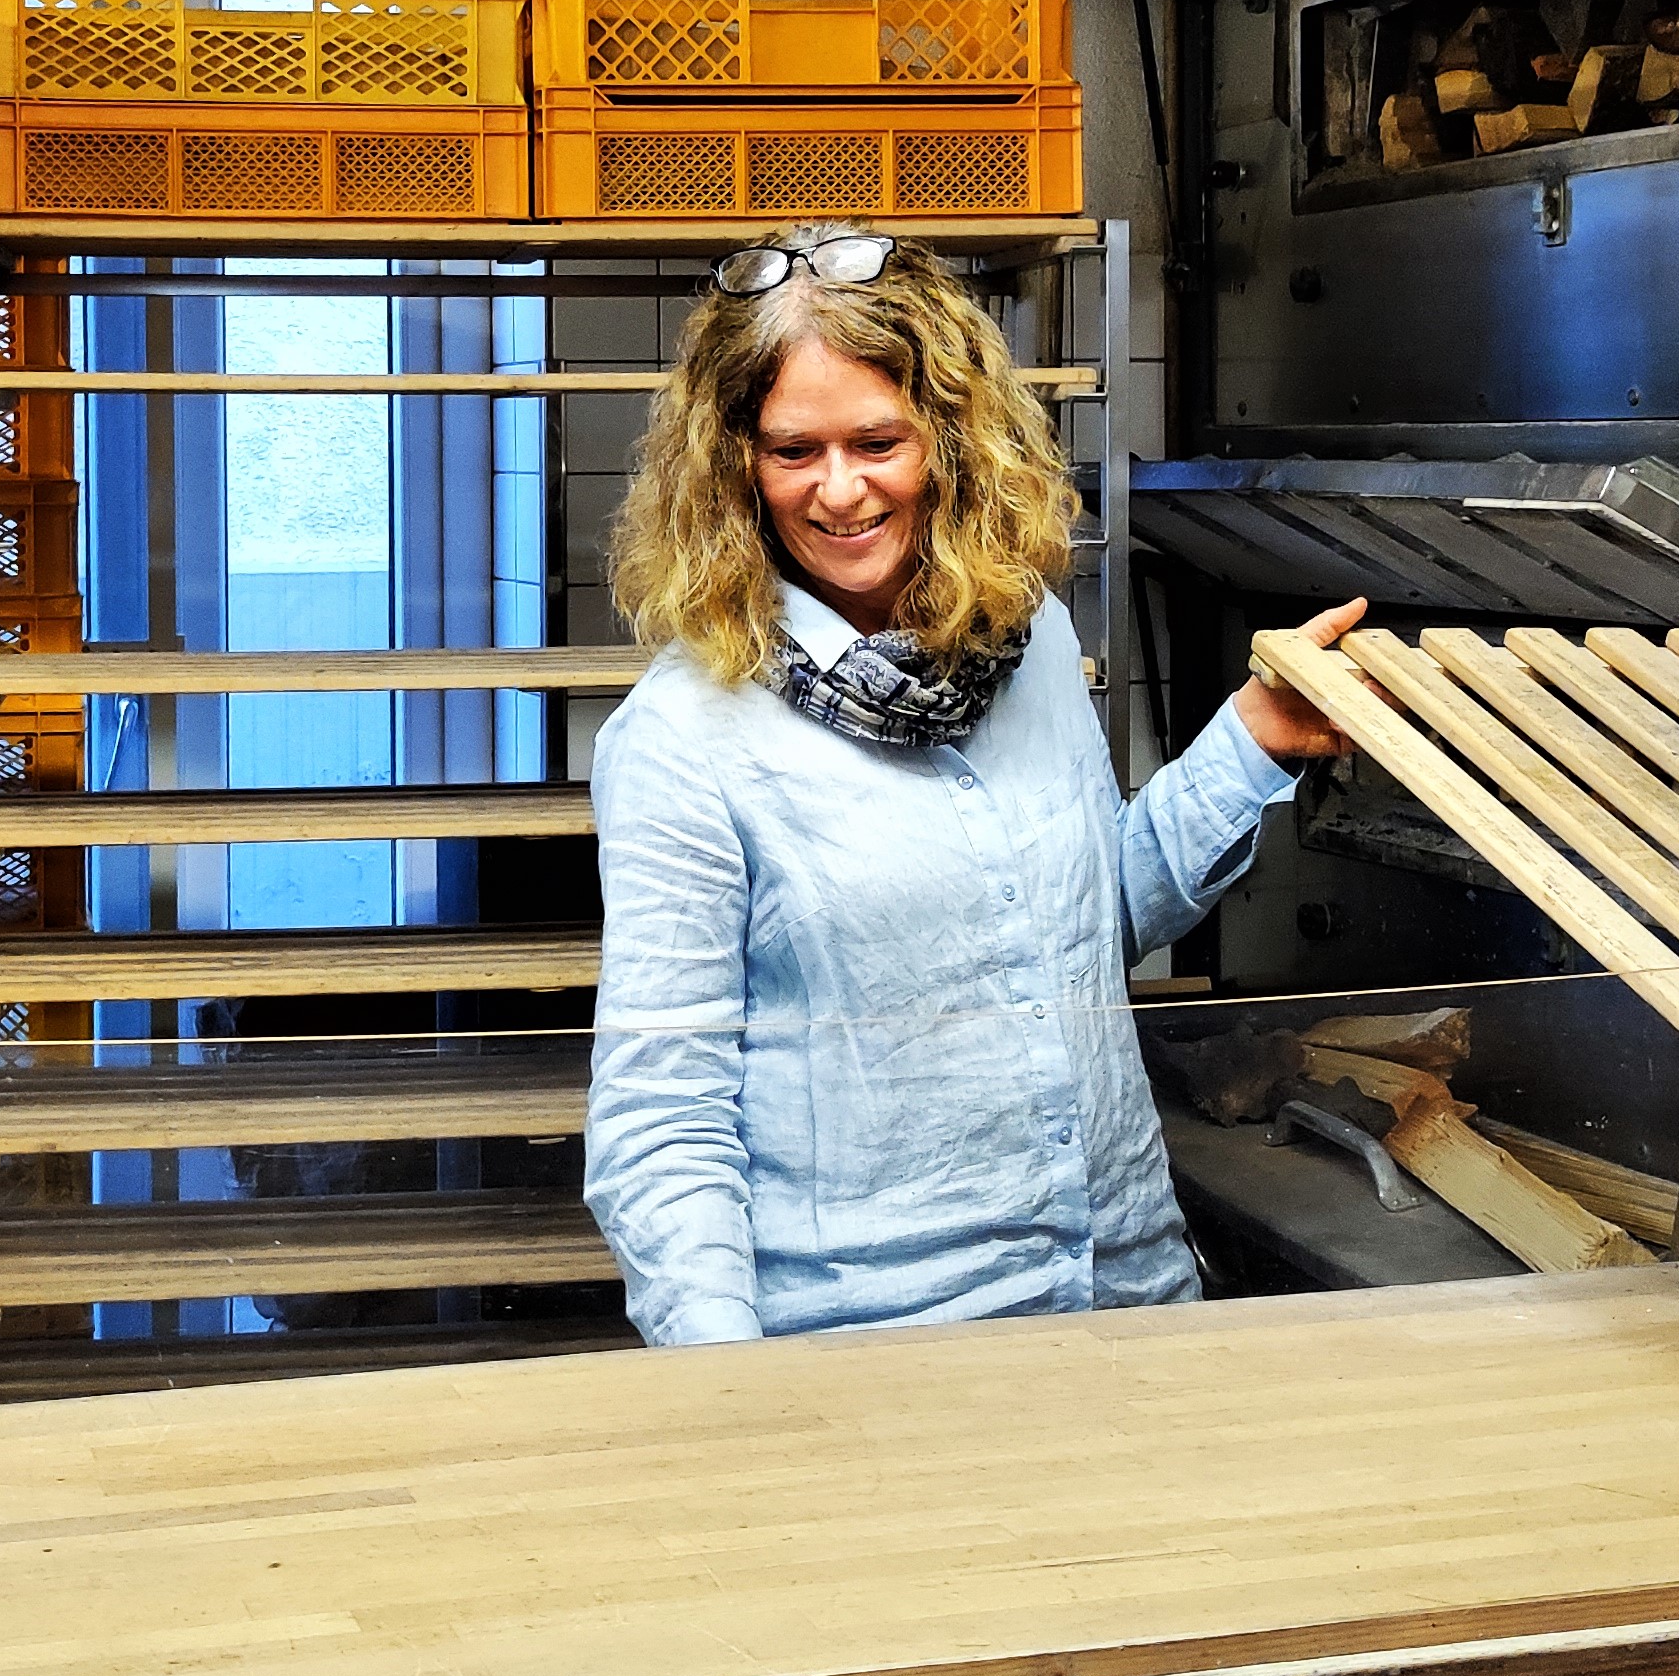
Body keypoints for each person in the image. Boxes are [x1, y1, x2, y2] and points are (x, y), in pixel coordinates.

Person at [581, 225, 1363, 1346]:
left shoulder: (1022, 633)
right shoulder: (684, 736)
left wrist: (1252, 740)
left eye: (876, 441)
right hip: (884, 1344)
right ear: (731, 465)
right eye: (793, 450)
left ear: (949, 437)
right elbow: (662, 1117)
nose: (839, 490)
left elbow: (1086, 925)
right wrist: (726, 1389)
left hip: (1125, 1295)